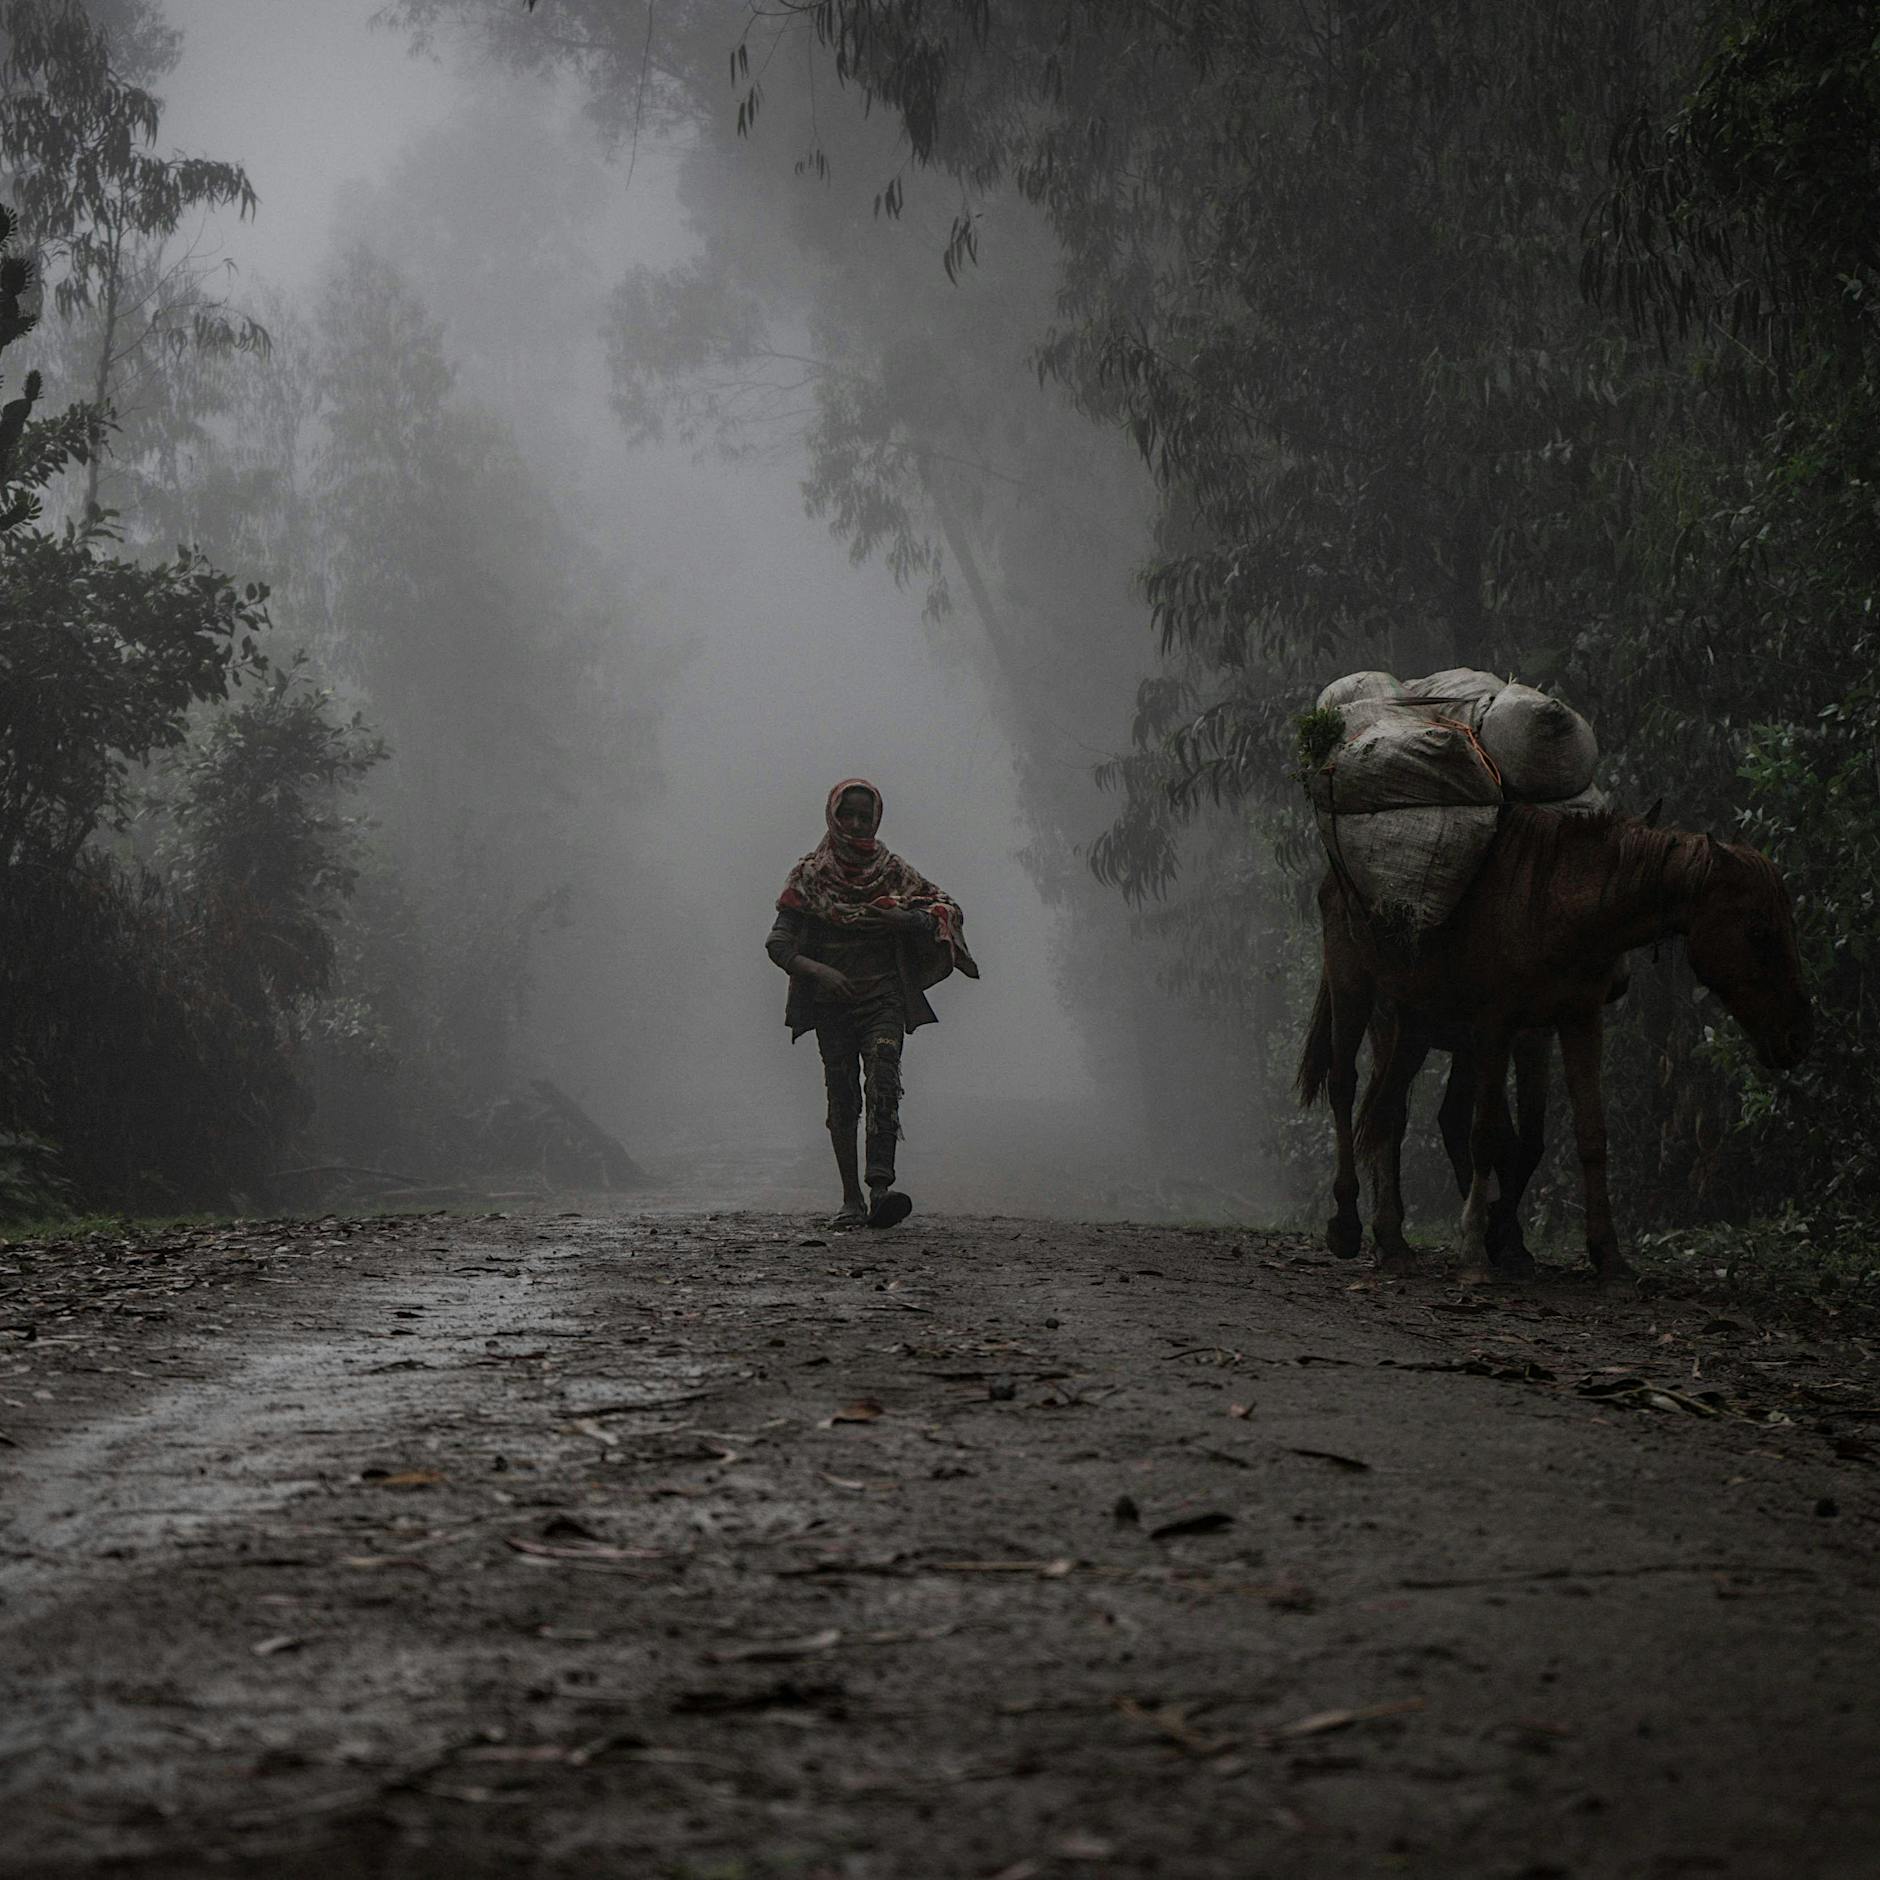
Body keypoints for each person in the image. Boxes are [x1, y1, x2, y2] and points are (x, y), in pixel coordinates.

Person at [766, 779, 979, 1229]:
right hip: (831, 1003)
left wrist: (905, 918)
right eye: (848, 815)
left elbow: (946, 910)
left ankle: (881, 1188)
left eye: (866, 816)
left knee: (883, 1077)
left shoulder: (893, 871)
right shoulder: (809, 876)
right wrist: (821, 972)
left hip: (883, 997)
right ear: (833, 815)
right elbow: (779, 944)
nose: (857, 824)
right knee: (842, 1094)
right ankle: (850, 1199)